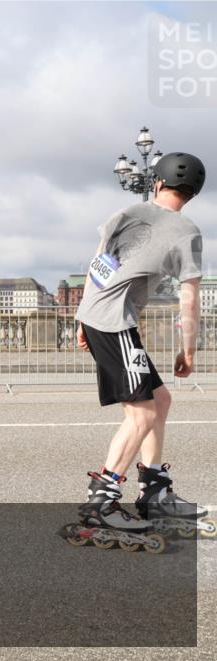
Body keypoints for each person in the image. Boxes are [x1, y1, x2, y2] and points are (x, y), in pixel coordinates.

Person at [73, 152, 208, 544]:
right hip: (114, 322)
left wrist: (81, 316)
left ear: (157, 183)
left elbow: (97, 266)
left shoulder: (124, 214)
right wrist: (188, 351)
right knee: (143, 413)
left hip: (101, 315)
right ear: (192, 193)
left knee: (159, 401)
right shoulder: (187, 231)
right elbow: (189, 299)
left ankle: (154, 491)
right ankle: (102, 500)